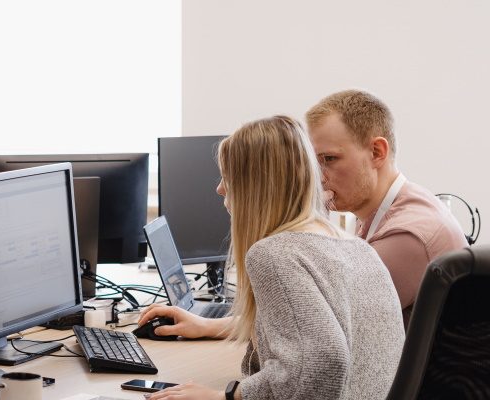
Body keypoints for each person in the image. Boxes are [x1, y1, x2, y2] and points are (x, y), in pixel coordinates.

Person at [143, 116, 404, 400]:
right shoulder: (356, 247)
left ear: (254, 185)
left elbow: (320, 361)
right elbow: (307, 331)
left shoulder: (275, 255)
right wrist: (207, 325)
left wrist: (224, 397)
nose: (220, 188)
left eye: (228, 177)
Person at [305, 89, 468, 322]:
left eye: (329, 159)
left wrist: (304, 218)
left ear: (376, 152)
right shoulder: (387, 210)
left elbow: (320, 326)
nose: (319, 177)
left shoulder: (407, 236)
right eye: (314, 163)